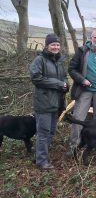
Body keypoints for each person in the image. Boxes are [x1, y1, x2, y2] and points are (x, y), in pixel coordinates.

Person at [30, 34, 69, 169]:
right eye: (53, 44)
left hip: (57, 102)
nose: (56, 47)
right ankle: (41, 161)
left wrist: (65, 84)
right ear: (47, 46)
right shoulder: (39, 60)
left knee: (51, 131)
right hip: (44, 102)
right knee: (43, 132)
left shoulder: (59, 61)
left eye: (57, 45)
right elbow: (36, 78)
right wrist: (59, 84)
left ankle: (41, 157)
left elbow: (64, 77)